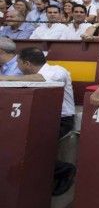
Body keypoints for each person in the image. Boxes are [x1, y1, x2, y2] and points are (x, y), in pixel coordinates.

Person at [0, 47, 76, 195]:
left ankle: (64, 170)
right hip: (36, 118)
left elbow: (42, 78)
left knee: (32, 147)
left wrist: (5, 78)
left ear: (26, 63)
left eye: (19, 63)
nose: (17, 67)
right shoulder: (33, 74)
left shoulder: (58, 70)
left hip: (61, 120)